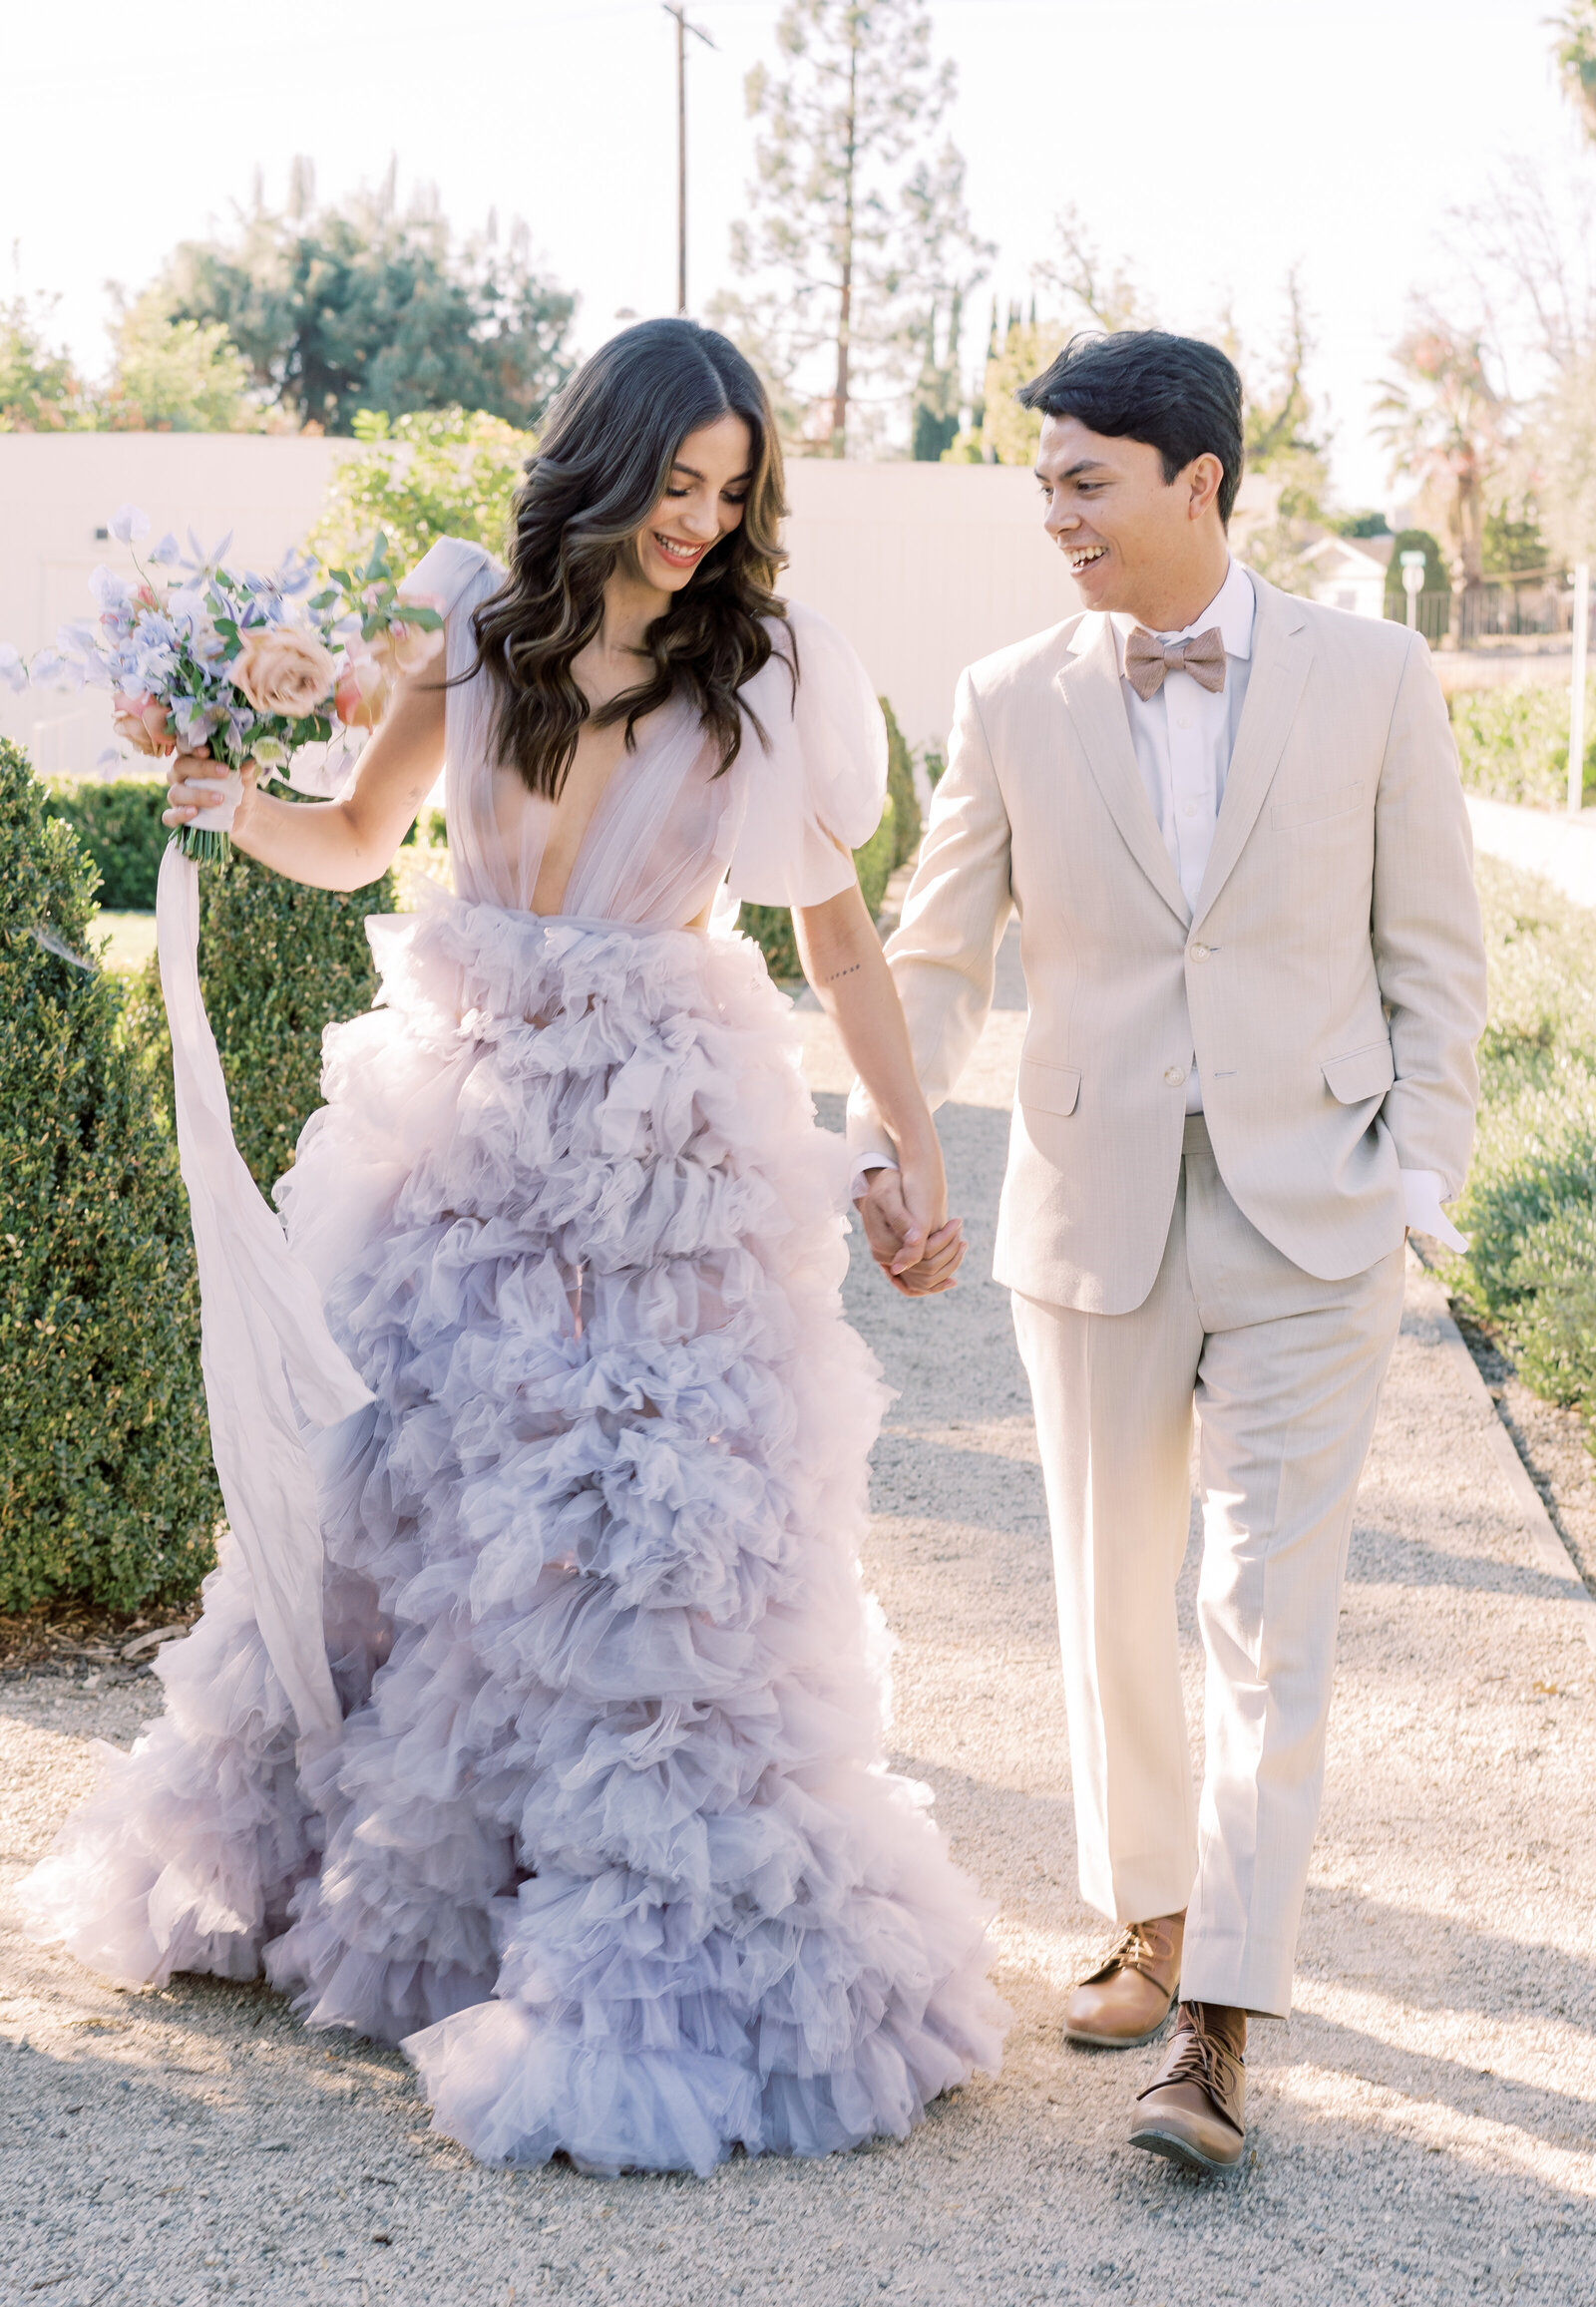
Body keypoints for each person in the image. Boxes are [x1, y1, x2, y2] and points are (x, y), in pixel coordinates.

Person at [20, 317, 1003, 2177]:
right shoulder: (469, 628)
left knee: (648, 1521)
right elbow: (361, 835)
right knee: (410, 1505)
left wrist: (910, 1145)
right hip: (457, 1121)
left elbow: (844, 943)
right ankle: (409, 1899)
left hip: (660, 1143)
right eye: (676, 481)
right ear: (602, 460)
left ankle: (639, 1929)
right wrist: (234, 809)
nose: (700, 522)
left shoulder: (762, 672)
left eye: (732, 491)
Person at [853, 329, 1486, 2175]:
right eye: (1042, 482)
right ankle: (1153, 1918)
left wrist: (1412, 1184)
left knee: (1264, 1623)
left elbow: (1435, 958)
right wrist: (897, 1142)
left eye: (1083, 481)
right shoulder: (1006, 693)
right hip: (1091, 1206)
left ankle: (1223, 2022)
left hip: (1315, 1213)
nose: (1051, 514)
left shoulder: (1373, 674)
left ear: (1197, 482)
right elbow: (938, 948)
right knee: (1114, 1597)